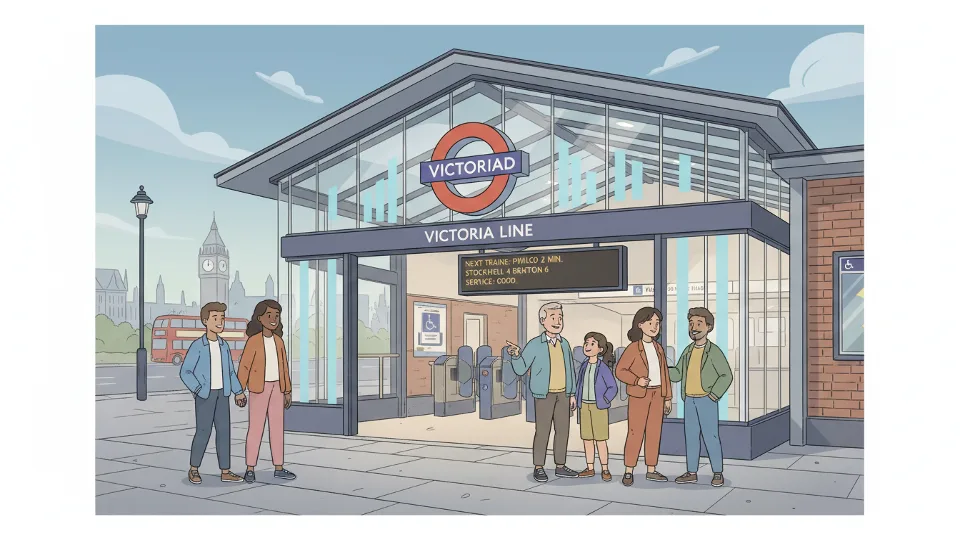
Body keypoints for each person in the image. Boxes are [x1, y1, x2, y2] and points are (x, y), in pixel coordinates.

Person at [506, 302, 579, 482]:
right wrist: (515, 355)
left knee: (563, 431)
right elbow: (522, 368)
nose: (557, 321)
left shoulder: (564, 344)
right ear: (543, 321)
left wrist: (572, 394)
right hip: (543, 395)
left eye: (560, 317)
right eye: (553, 317)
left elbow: (570, 369)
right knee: (543, 431)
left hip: (563, 394)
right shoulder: (535, 345)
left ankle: (560, 465)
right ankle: (539, 466)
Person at [179, 302, 246, 485]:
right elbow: (185, 371)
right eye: (215, 318)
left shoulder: (224, 346)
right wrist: (198, 389)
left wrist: (238, 391)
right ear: (205, 321)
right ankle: (194, 469)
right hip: (205, 396)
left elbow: (231, 372)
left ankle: (225, 471)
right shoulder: (198, 346)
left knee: (224, 432)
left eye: (222, 318)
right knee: (203, 431)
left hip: (222, 395)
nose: (220, 322)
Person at [668, 307, 733, 488]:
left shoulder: (713, 352)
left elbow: (726, 375)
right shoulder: (688, 351)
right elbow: (678, 373)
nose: (694, 327)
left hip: (706, 400)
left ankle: (717, 472)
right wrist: (663, 370)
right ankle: (691, 472)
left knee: (711, 436)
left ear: (709, 327)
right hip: (689, 400)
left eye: (698, 323)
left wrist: (714, 395)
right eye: (691, 324)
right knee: (691, 436)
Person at [237, 299, 296, 483]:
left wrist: (287, 390)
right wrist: (240, 390)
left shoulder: (279, 341)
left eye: (276, 316)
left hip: (277, 388)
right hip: (258, 389)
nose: (273, 319)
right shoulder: (254, 341)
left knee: (277, 429)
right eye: (269, 315)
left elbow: (284, 368)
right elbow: (244, 366)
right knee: (255, 429)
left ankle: (279, 467)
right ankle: (250, 468)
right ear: (259, 318)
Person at [615, 307, 672, 486]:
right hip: (640, 395)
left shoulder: (658, 348)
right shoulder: (633, 348)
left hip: (657, 395)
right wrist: (636, 380)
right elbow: (620, 371)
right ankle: (629, 470)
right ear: (640, 325)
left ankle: (651, 469)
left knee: (654, 432)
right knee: (635, 432)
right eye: (650, 323)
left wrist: (668, 397)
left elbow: (664, 374)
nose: (655, 327)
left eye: (657, 323)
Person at [573, 332, 619, 481]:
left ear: (600, 349)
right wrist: (576, 398)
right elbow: (579, 384)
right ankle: (590, 467)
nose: (588, 346)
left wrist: (605, 399)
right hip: (584, 406)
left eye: (592, 344)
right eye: (586, 343)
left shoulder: (603, 367)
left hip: (599, 407)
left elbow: (613, 387)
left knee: (600, 439)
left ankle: (605, 468)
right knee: (587, 438)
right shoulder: (584, 366)